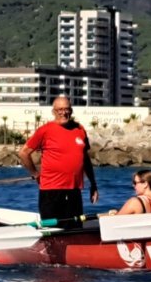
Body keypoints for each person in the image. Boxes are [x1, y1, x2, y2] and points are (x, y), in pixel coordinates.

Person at [18, 95, 98, 228]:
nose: (64, 112)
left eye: (67, 109)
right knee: (52, 230)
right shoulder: (45, 130)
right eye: (60, 109)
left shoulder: (79, 129)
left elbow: (85, 159)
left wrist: (93, 184)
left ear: (71, 110)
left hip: (74, 190)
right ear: (54, 111)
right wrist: (35, 173)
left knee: (75, 229)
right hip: (51, 190)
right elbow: (24, 153)